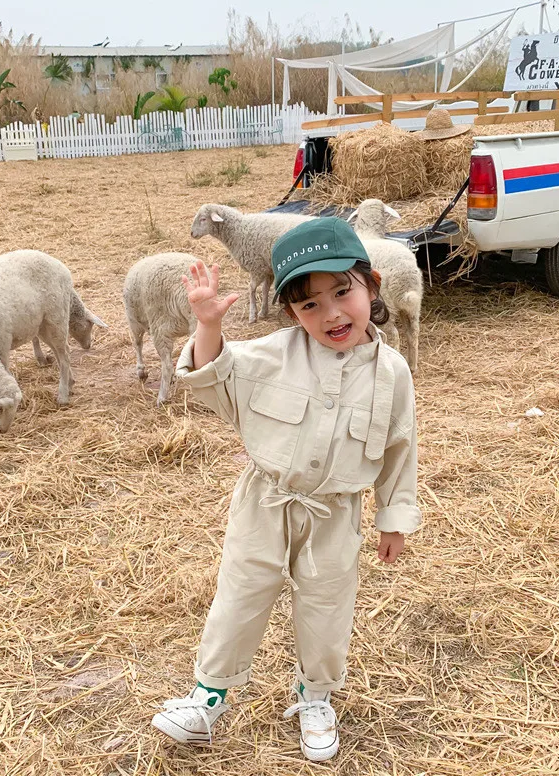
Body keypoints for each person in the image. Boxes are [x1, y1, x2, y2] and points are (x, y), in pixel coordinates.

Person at [151, 217, 420, 762]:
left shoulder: (392, 372)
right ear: (292, 313)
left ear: (370, 284)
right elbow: (213, 375)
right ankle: (208, 697)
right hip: (264, 504)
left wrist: (393, 518)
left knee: (326, 607)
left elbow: (400, 447)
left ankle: (315, 697)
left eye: (342, 293)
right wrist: (206, 325)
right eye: (309, 305)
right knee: (240, 596)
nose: (332, 314)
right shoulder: (273, 353)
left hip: (336, 514)